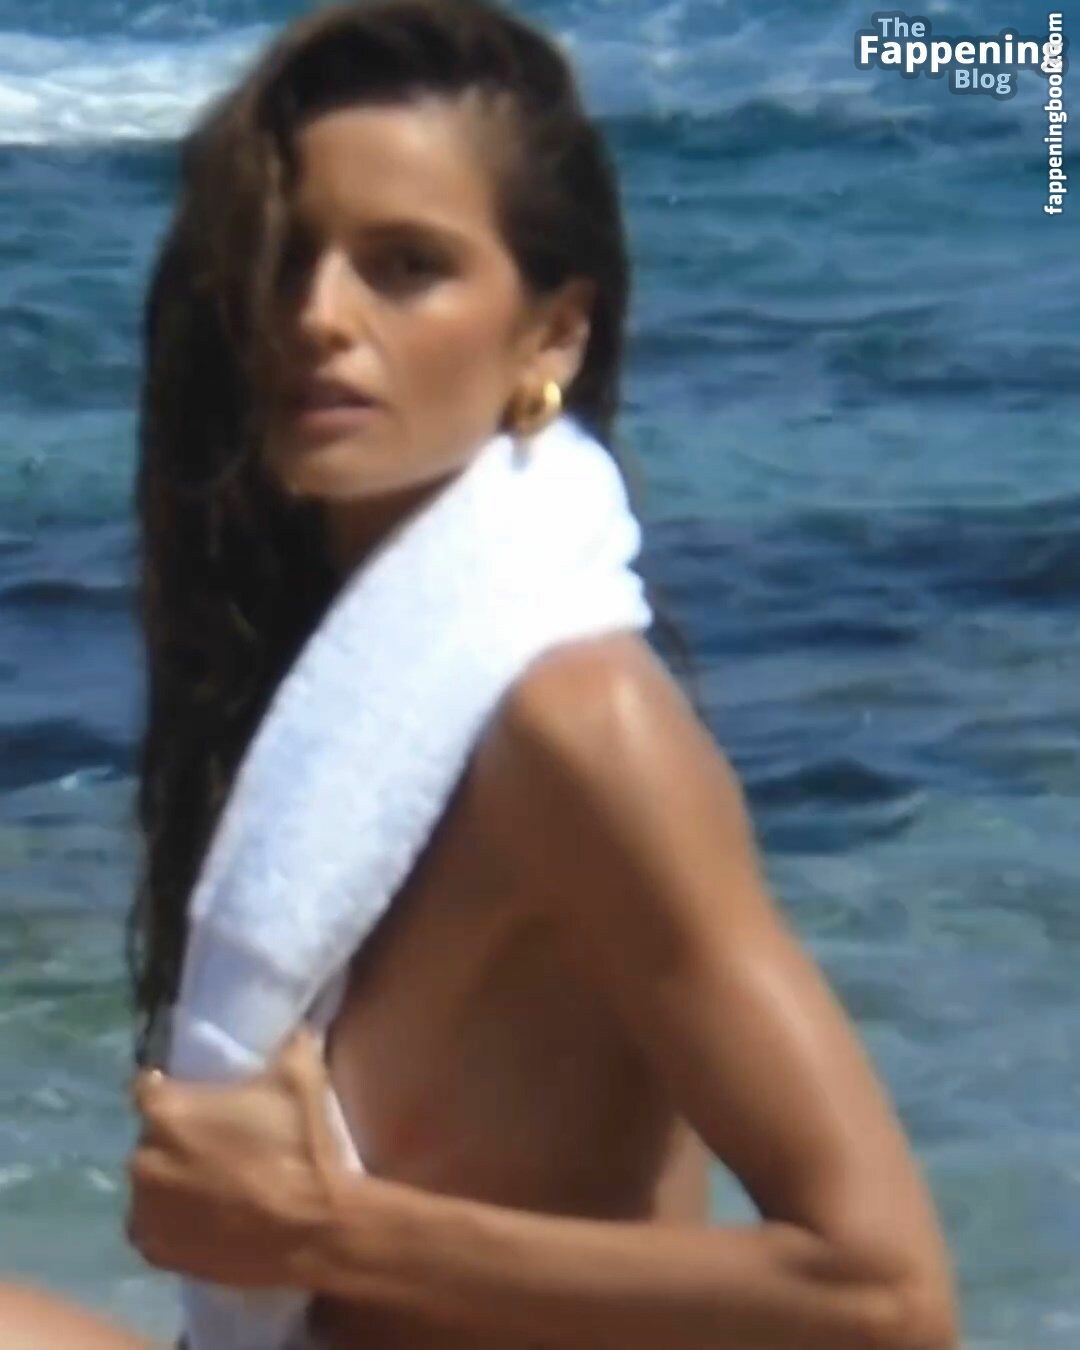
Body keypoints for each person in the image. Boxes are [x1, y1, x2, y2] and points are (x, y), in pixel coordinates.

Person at [0, 2, 961, 1347]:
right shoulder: (345, 686)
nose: (318, 316)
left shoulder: (579, 720)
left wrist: (323, 1234)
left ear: (552, 334)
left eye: (406, 267)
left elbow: (888, 1296)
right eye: (285, 258)